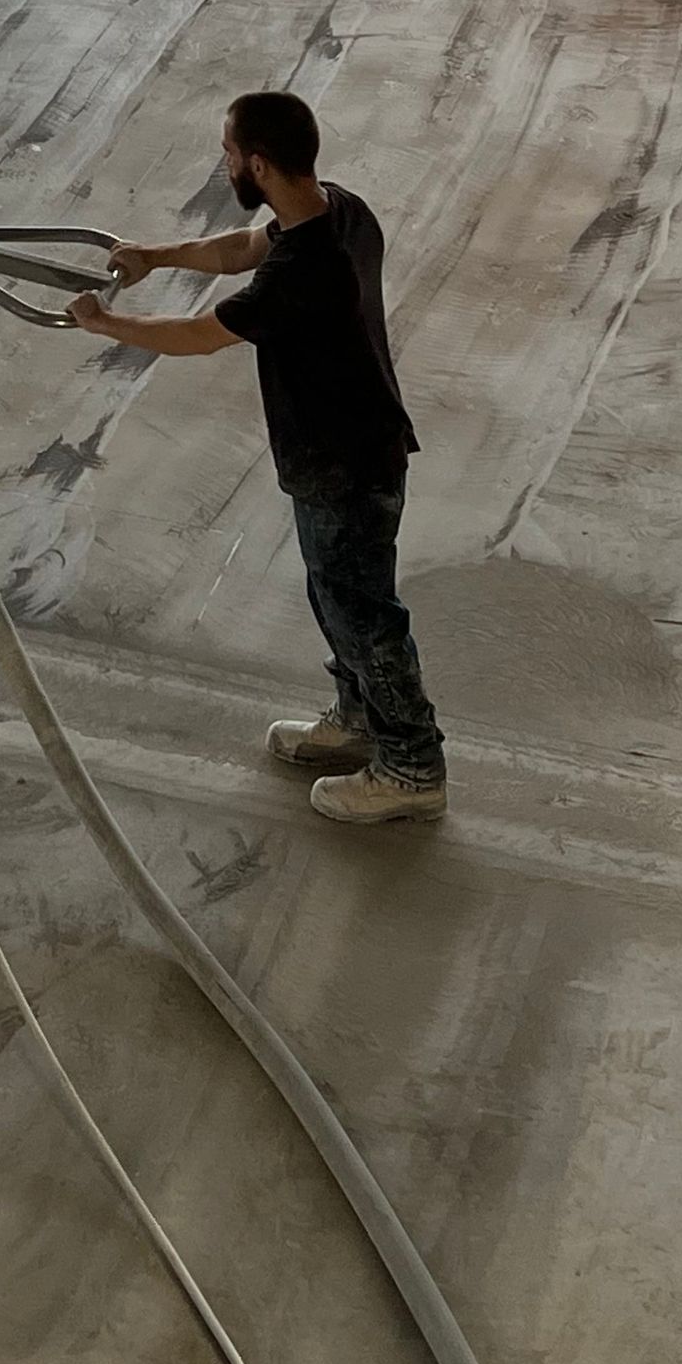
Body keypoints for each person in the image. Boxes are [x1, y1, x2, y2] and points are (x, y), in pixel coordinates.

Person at [70, 90, 446, 827]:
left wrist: (105, 322)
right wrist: (154, 254)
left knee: (366, 614)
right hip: (343, 451)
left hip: (347, 464)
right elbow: (243, 247)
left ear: (260, 163)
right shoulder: (338, 208)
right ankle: (359, 717)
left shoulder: (304, 275)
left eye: (229, 153)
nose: (225, 162)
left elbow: (200, 335)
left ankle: (412, 765)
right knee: (334, 597)